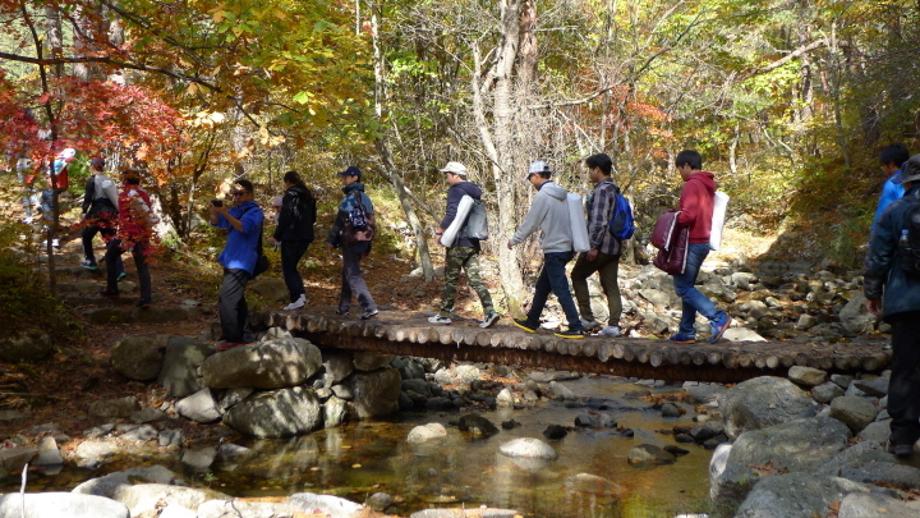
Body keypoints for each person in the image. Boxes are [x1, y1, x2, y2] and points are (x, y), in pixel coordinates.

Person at [865, 153, 920, 458]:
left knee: (905, 367)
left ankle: (902, 437)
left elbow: (878, 257)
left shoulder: (895, 211)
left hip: (904, 301)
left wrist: (873, 293)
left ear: (907, 181)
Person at [508, 160, 584, 339]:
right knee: (543, 286)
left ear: (536, 176)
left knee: (560, 288)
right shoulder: (564, 195)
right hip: (566, 247)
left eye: (530, 178)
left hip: (555, 248)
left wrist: (514, 240)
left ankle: (575, 325)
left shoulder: (543, 196)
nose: (530, 182)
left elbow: (531, 223)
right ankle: (532, 321)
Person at [668, 150, 731, 345]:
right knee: (688, 286)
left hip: (692, 242)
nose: (680, 173)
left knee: (682, 287)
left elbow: (688, 216)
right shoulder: (707, 185)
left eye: (679, 168)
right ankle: (686, 330)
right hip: (704, 240)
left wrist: (673, 216)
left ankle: (717, 317)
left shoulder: (691, 185)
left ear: (686, 165)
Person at [429, 162, 500, 328]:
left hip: (458, 242)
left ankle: (444, 314)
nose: (446, 177)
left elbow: (452, 213)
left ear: (455, 175)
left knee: (451, 278)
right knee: (475, 280)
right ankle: (490, 312)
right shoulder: (474, 191)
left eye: (447, 174)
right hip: (472, 242)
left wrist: (440, 231)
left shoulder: (456, 190)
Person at [570, 153, 623, 337]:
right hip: (615, 246)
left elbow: (599, 222)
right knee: (611, 285)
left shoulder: (602, 191)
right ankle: (614, 325)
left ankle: (587, 317)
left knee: (577, 275)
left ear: (597, 170)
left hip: (601, 246)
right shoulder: (615, 189)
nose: (589, 174)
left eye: (590, 170)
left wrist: (592, 246)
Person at [210, 179, 265, 348]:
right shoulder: (236, 210)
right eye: (234, 194)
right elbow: (216, 223)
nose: (236, 197)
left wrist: (225, 213)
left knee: (227, 298)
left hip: (243, 260)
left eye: (240, 194)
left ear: (250, 194)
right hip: (230, 259)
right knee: (236, 298)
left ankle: (232, 337)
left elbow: (244, 228)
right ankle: (242, 334)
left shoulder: (255, 212)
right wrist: (213, 211)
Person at [328, 166, 378, 320]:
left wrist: (331, 240)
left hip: (351, 239)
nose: (344, 179)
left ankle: (369, 306)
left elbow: (340, 221)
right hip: (364, 239)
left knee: (352, 274)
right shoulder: (366, 198)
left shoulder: (350, 197)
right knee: (348, 271)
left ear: (355, 177)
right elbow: (372, 221)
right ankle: (344, 307)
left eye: (346, 177)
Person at [100, 169, 155, 308]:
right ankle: (146, 299)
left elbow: (124, 218)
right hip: (143, 234)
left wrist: (125, 236)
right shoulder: (144, 195)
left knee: (110, 256)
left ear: (125, 181)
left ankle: (112, 289)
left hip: (127, 235)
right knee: (142, 266)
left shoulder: (124, 196)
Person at [273, 171, 317, 311]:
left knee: (288, 268)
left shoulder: (290, 195)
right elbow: (313, 218)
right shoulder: (308, 196)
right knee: (292, 266)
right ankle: (301, 295)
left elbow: (286, 216)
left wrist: (277, 235)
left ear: (288, 181)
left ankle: (296, 298)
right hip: (306, 236)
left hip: (291, 236)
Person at [80, 156, 124, 279]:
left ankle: (90, 261)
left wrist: (84, 211)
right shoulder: (109, 180)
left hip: (97, 212)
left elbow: (88, 198)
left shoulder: (92, 180)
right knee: (110, 240)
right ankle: (119, 270)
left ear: (93, 166)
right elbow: (115, 199)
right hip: (110, 213)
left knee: (86, 235)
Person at [872, 144, 910, 233]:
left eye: (883, 165)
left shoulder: (892, 183)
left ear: (891, 164)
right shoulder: (915, 177)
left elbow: (882, 218)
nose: (882, 168)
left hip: (905, 238)